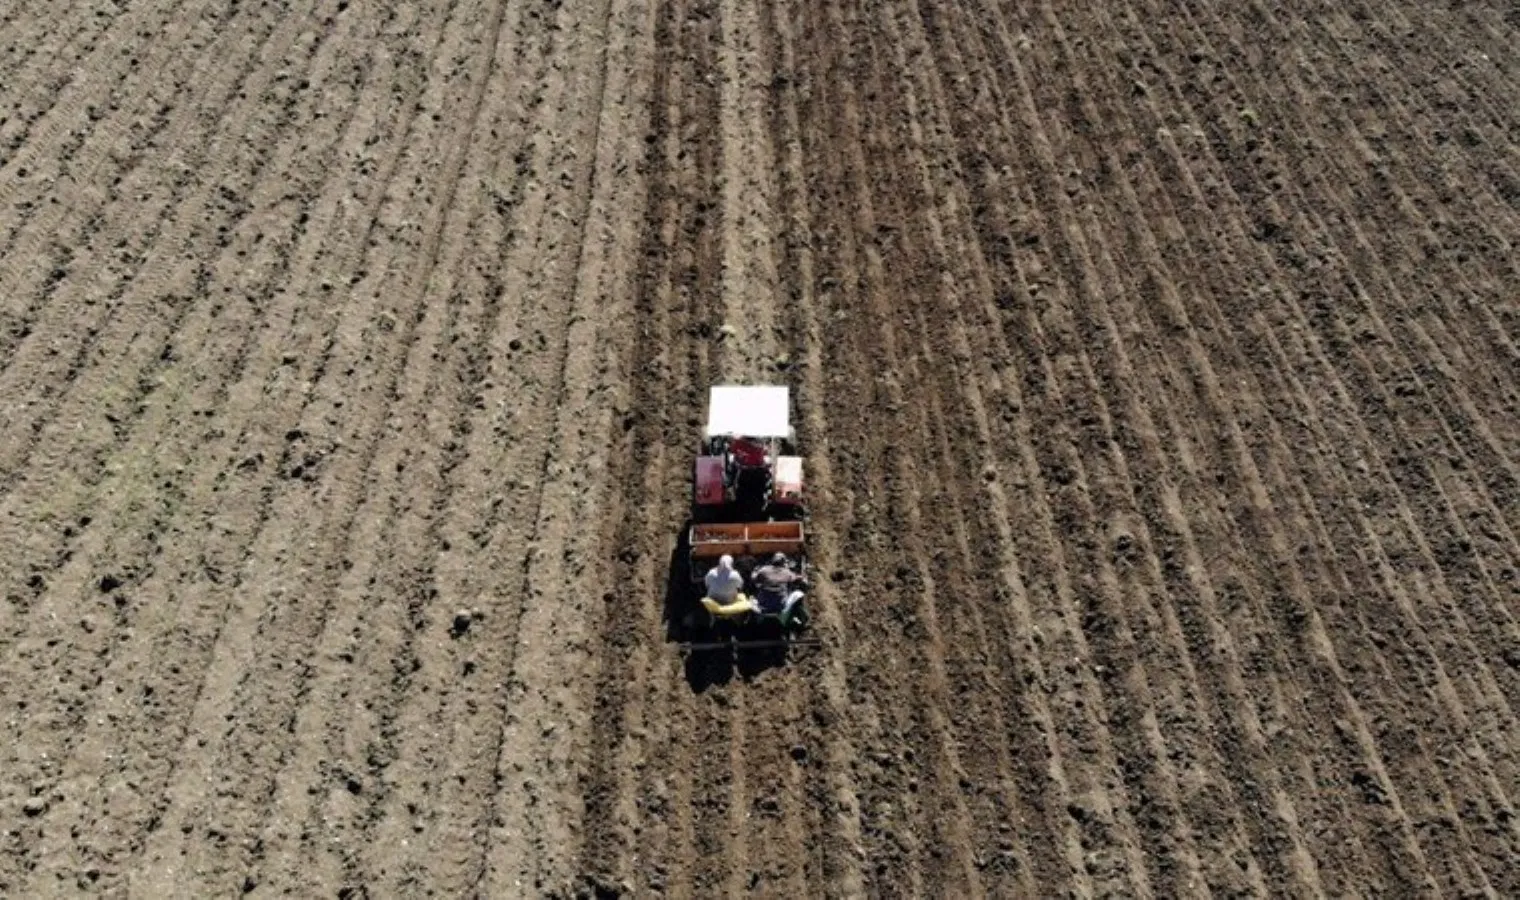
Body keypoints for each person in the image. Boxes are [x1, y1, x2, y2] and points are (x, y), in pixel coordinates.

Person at [749, 552, 808, 626]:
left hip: (763, 605)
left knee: (750, 595)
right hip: (780, 606)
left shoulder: (764, 570)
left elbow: (754, 578)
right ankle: (800, 619)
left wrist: (755, 571)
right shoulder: (787, 572)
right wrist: (800, 577)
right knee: (798, 594)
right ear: (783, 563)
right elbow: (795, 578)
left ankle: (748, 621)